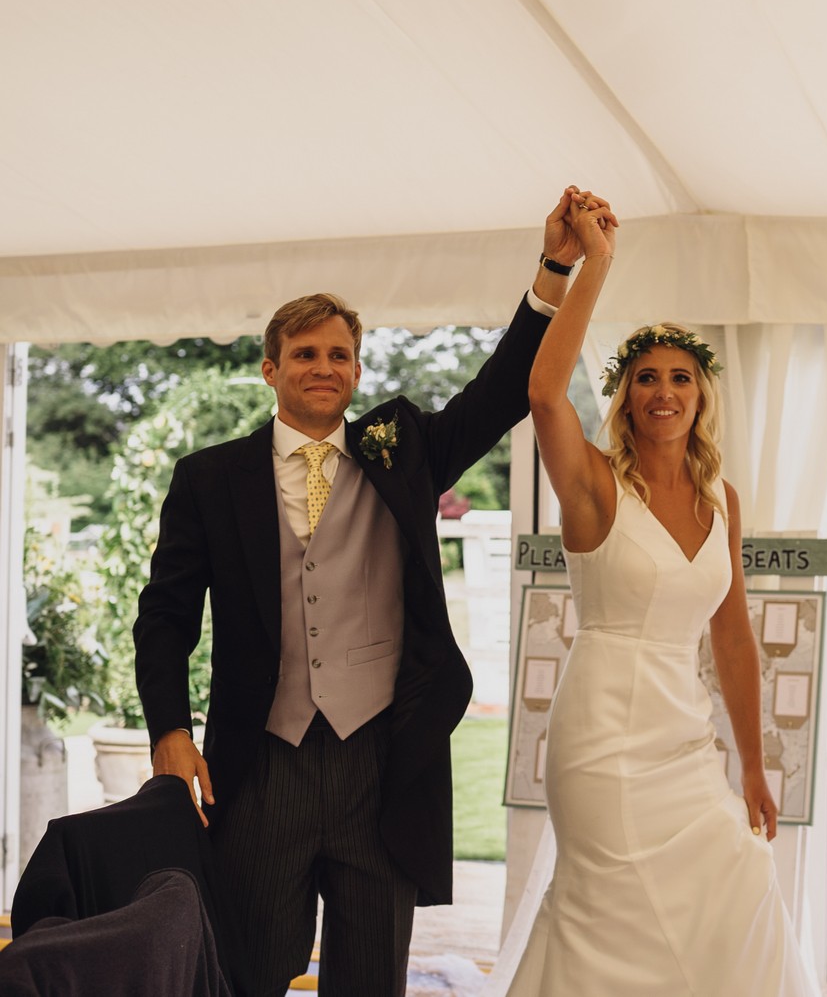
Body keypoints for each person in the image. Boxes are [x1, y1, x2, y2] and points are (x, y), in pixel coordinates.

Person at [132, 186, 598, 996]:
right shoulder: (209, 478)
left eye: (340, 354)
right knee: (246, 971)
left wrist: (555, 267)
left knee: (373, 978)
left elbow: (500, 389)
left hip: (382, 763)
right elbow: (165, 617)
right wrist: (170, 730)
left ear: (357, 369)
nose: (324, 367)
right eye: (305, 353)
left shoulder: (403, 448)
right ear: (271, 367)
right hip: (262, 763)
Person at [493, 192, 819, 995]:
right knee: (606, 918)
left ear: (701, 395)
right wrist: (594, 263)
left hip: (685, 741)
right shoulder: (594, 484)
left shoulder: (722, 502)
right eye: (645, 377)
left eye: (680, 376)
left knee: (740, 879)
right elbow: (544, 394)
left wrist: (752, 764)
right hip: (599, 738)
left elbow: (732, 636)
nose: (663, 390)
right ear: (626, 396)